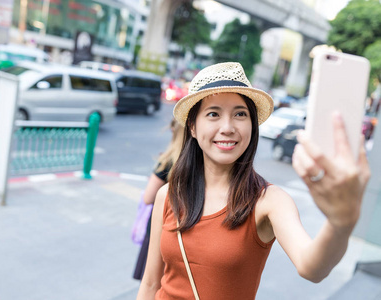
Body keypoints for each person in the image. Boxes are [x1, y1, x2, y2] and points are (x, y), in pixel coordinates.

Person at [137, 62, 371, 299]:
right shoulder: (167, 195)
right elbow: (150, 284)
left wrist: (341, 222)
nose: (227, 127)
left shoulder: (269, 201)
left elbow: (312, 268)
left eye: (240, 114)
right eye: (213, 114)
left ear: (252, 125)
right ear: (193, 127)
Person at [133, 119, 184, 280]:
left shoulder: (168, 162)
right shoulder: (198, 163)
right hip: (183, 231)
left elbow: (148, 198)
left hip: (161, 227)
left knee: (153, 281)